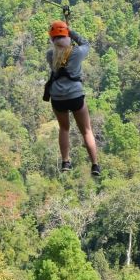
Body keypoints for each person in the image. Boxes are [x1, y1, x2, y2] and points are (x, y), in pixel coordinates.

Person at [46, 20, 100, 176]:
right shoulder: (76, 53)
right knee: (86, 130)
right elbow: (86, 43)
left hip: (57, 97)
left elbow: (58, 50)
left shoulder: (50, 55)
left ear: (52, 39)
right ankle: (95, 165)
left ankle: (66, 162)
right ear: (67, 36)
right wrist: (71, 31)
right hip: (75, 95)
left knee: (64, 128)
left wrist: (64, 33)